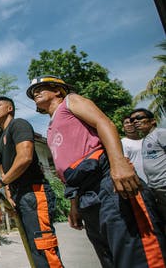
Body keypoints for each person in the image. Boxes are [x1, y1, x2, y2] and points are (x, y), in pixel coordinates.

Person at [27, 75, 166, 268]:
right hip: (84, 193)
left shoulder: (71, 101)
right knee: (108, 256)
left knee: (137, 254)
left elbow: (104, 123)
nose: (36, 93)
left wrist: (118, 163)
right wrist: (74, 205)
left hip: (106, 181)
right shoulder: (50, 127)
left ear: (58, 90)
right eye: (33, 92)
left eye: (41, 88)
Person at [0, 96, 63, 268]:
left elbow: (25, 157)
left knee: (43, 246)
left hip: (34, 192)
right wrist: (8, 194)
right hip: (17, 194)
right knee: (33, 248)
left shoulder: (19, 125)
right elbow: (2, 168)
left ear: (10, 109)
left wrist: (2, 181)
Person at [130, 108, 166, 229]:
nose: (135, 121)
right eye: (132, 120)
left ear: (153, 121)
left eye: (139, 118)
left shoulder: (160, 134)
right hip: (155, 188)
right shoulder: (145, 139)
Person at [121, 115, 146, 181]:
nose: (130, 124)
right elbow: (125, 165)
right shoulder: (122, 143)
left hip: (157, 181)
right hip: (141, 182)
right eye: (126, 123)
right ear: (123, 128)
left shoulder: (146, 140)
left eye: (131, 122)